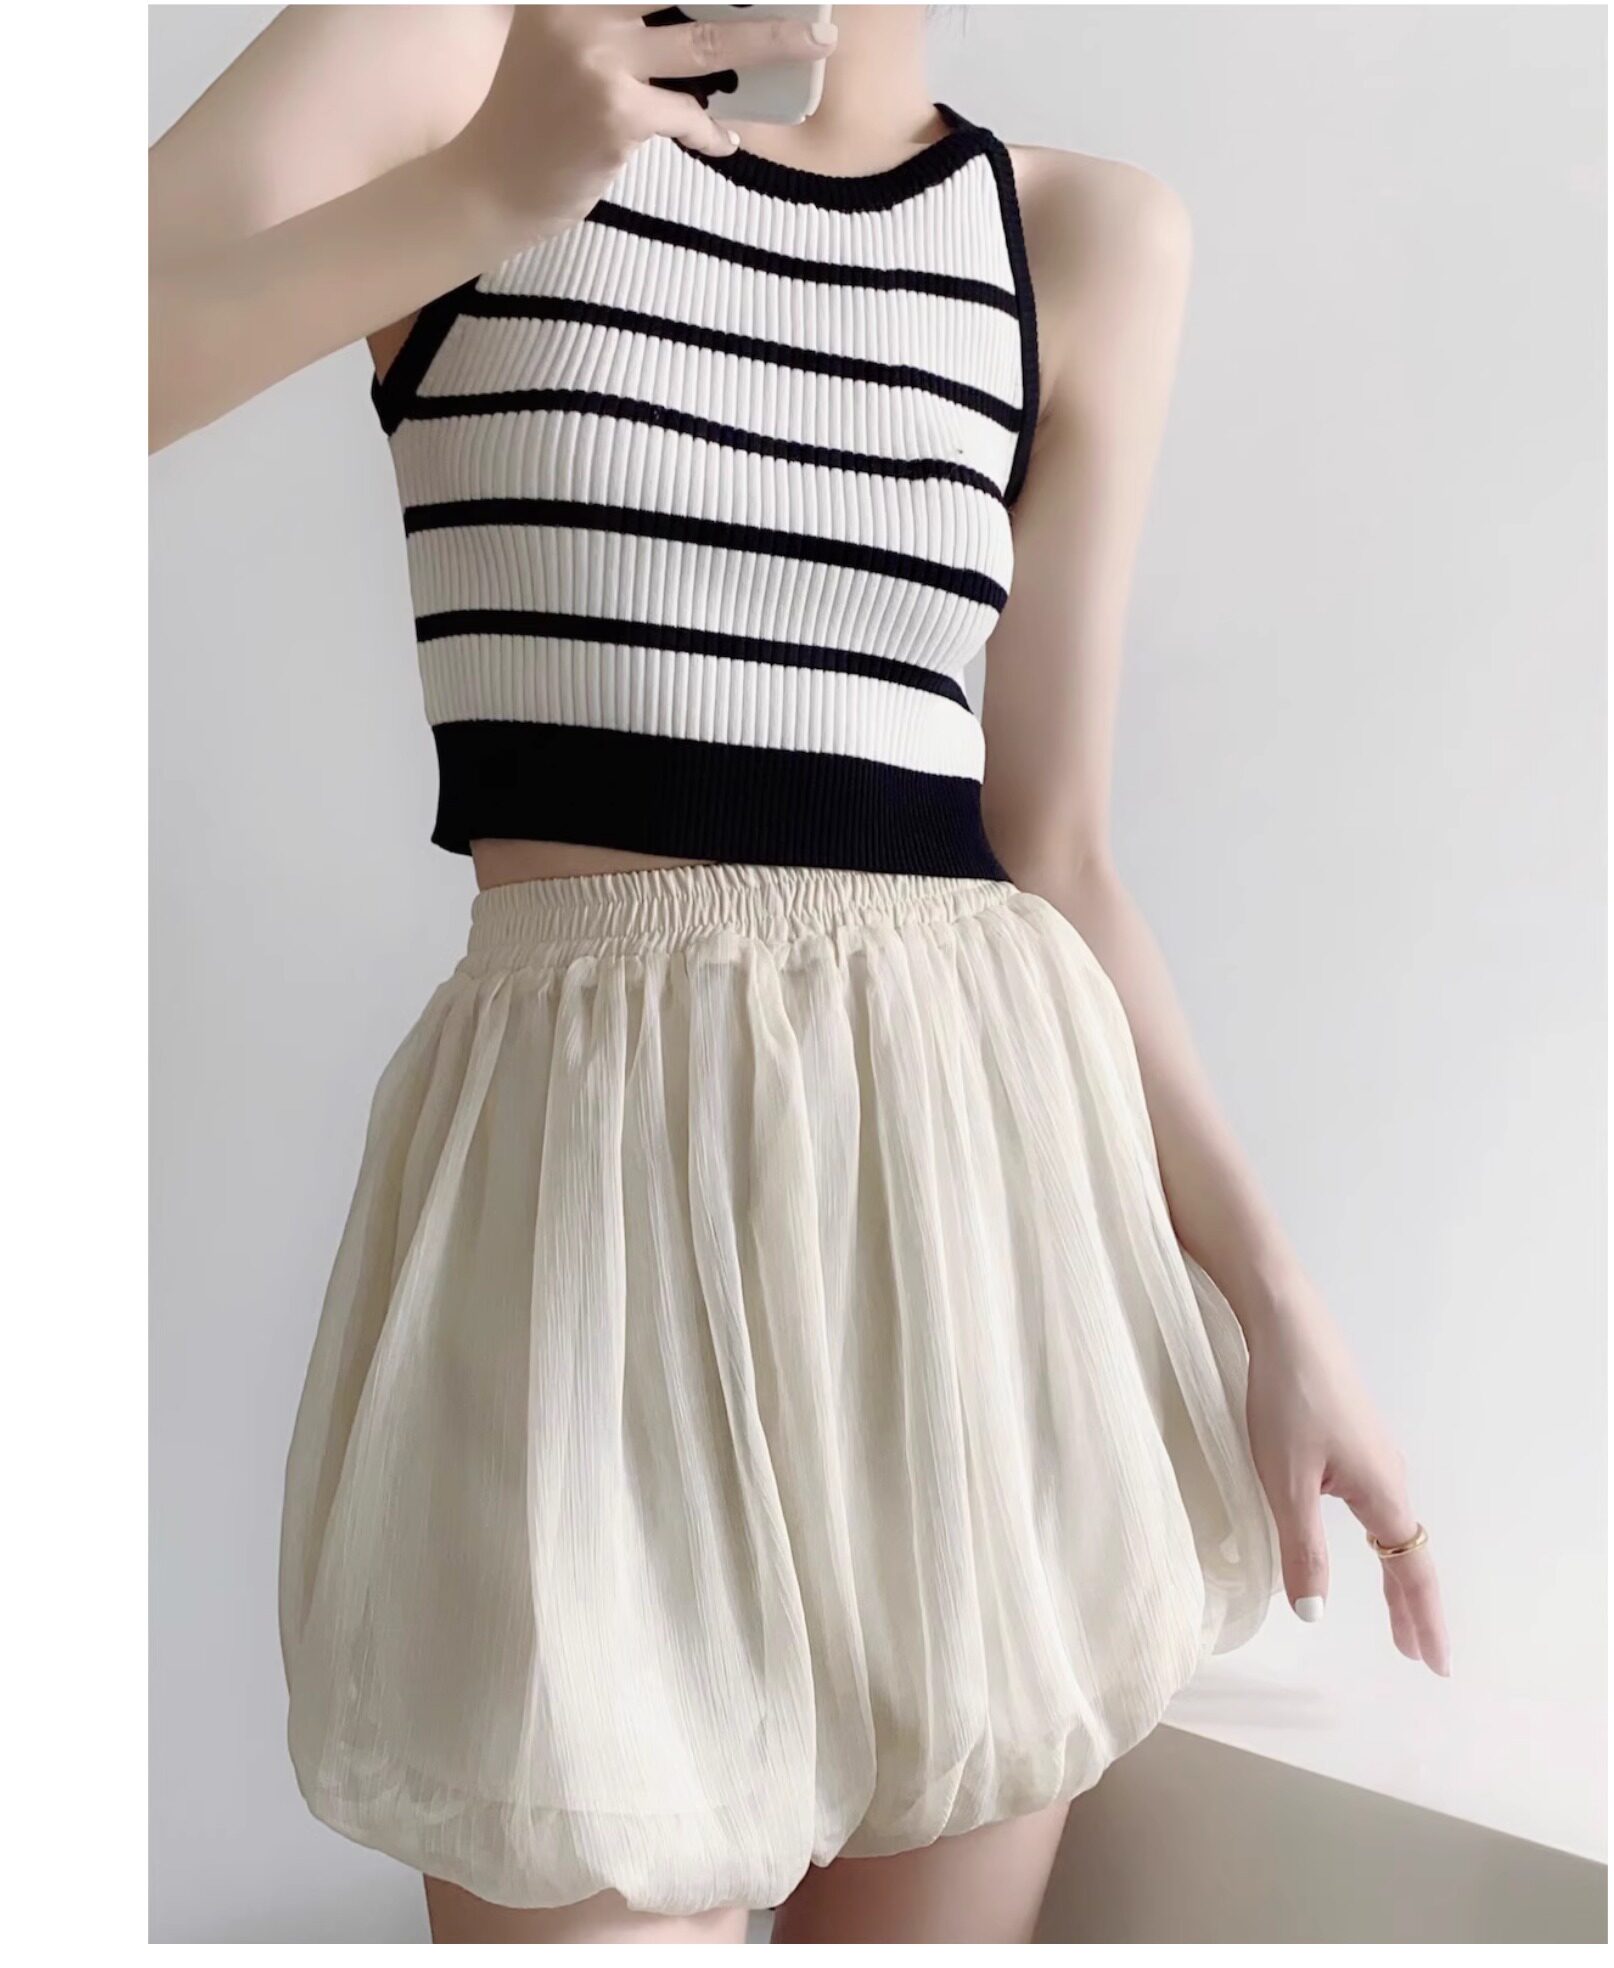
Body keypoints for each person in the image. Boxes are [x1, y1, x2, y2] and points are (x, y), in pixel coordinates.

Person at [150, 4, 1447, 1945]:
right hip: (581, 1252)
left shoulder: (1078, 239)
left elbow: (1053, 846)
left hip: (973, 1255)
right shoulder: (455, 54)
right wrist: (486, 191)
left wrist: (1273, 1297)